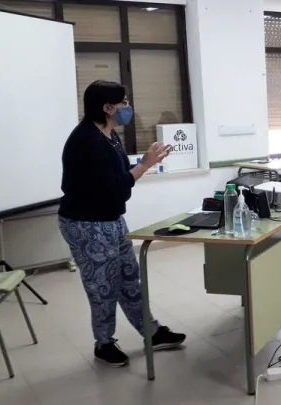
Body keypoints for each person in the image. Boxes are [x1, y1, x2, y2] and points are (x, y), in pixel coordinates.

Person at [58, 80, 186, 367]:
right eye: (124, 103)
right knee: (103, 286)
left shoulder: (108, 133)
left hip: (111, 217)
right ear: (108, 108)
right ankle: (103, 344)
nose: (128, 107)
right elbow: (115, 186)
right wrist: (145, 165)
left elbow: (118, 178)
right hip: (87, 223)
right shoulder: (87, 140)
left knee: (129, 276)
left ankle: (151, 332)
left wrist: (142, 165)